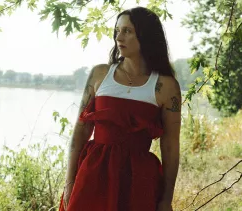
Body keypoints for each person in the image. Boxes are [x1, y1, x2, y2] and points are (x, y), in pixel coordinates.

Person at [59, 6, 181, 211]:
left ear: (145, 35)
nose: (119, 37)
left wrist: (166, 199)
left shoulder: (166, 86)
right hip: (93, 174)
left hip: (138, 179)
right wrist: (70, 181)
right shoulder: (100, 74)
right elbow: (80, 132)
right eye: (117, 31)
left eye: (127, 31)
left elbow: (170, 146)